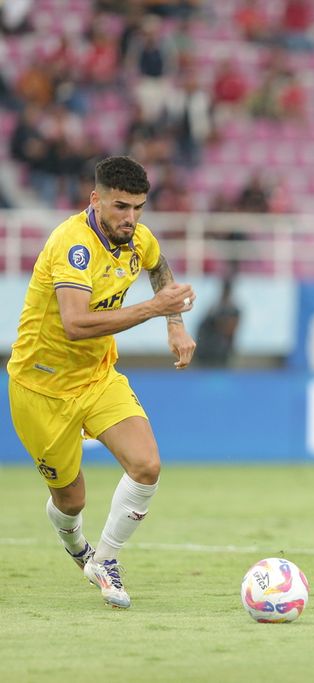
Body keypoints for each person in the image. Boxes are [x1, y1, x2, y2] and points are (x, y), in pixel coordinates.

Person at [6, 156, 196, 609]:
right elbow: (75, 324)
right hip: (41, 388)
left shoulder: (137, 237)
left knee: (147, 465)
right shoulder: (72, 244)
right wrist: (154, 310)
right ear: (95, 200)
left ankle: (106, 560)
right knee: (71, 499)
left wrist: (174, 323)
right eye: (120, 207)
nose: (130, 218)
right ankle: (76, 546)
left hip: (97, 378)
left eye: (138, 208)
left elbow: (159, 266)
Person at [194, 277, 241, 367]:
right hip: (208, 349)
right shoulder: (216, 309)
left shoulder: (231, 310)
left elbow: (229, 330)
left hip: (219, 352)